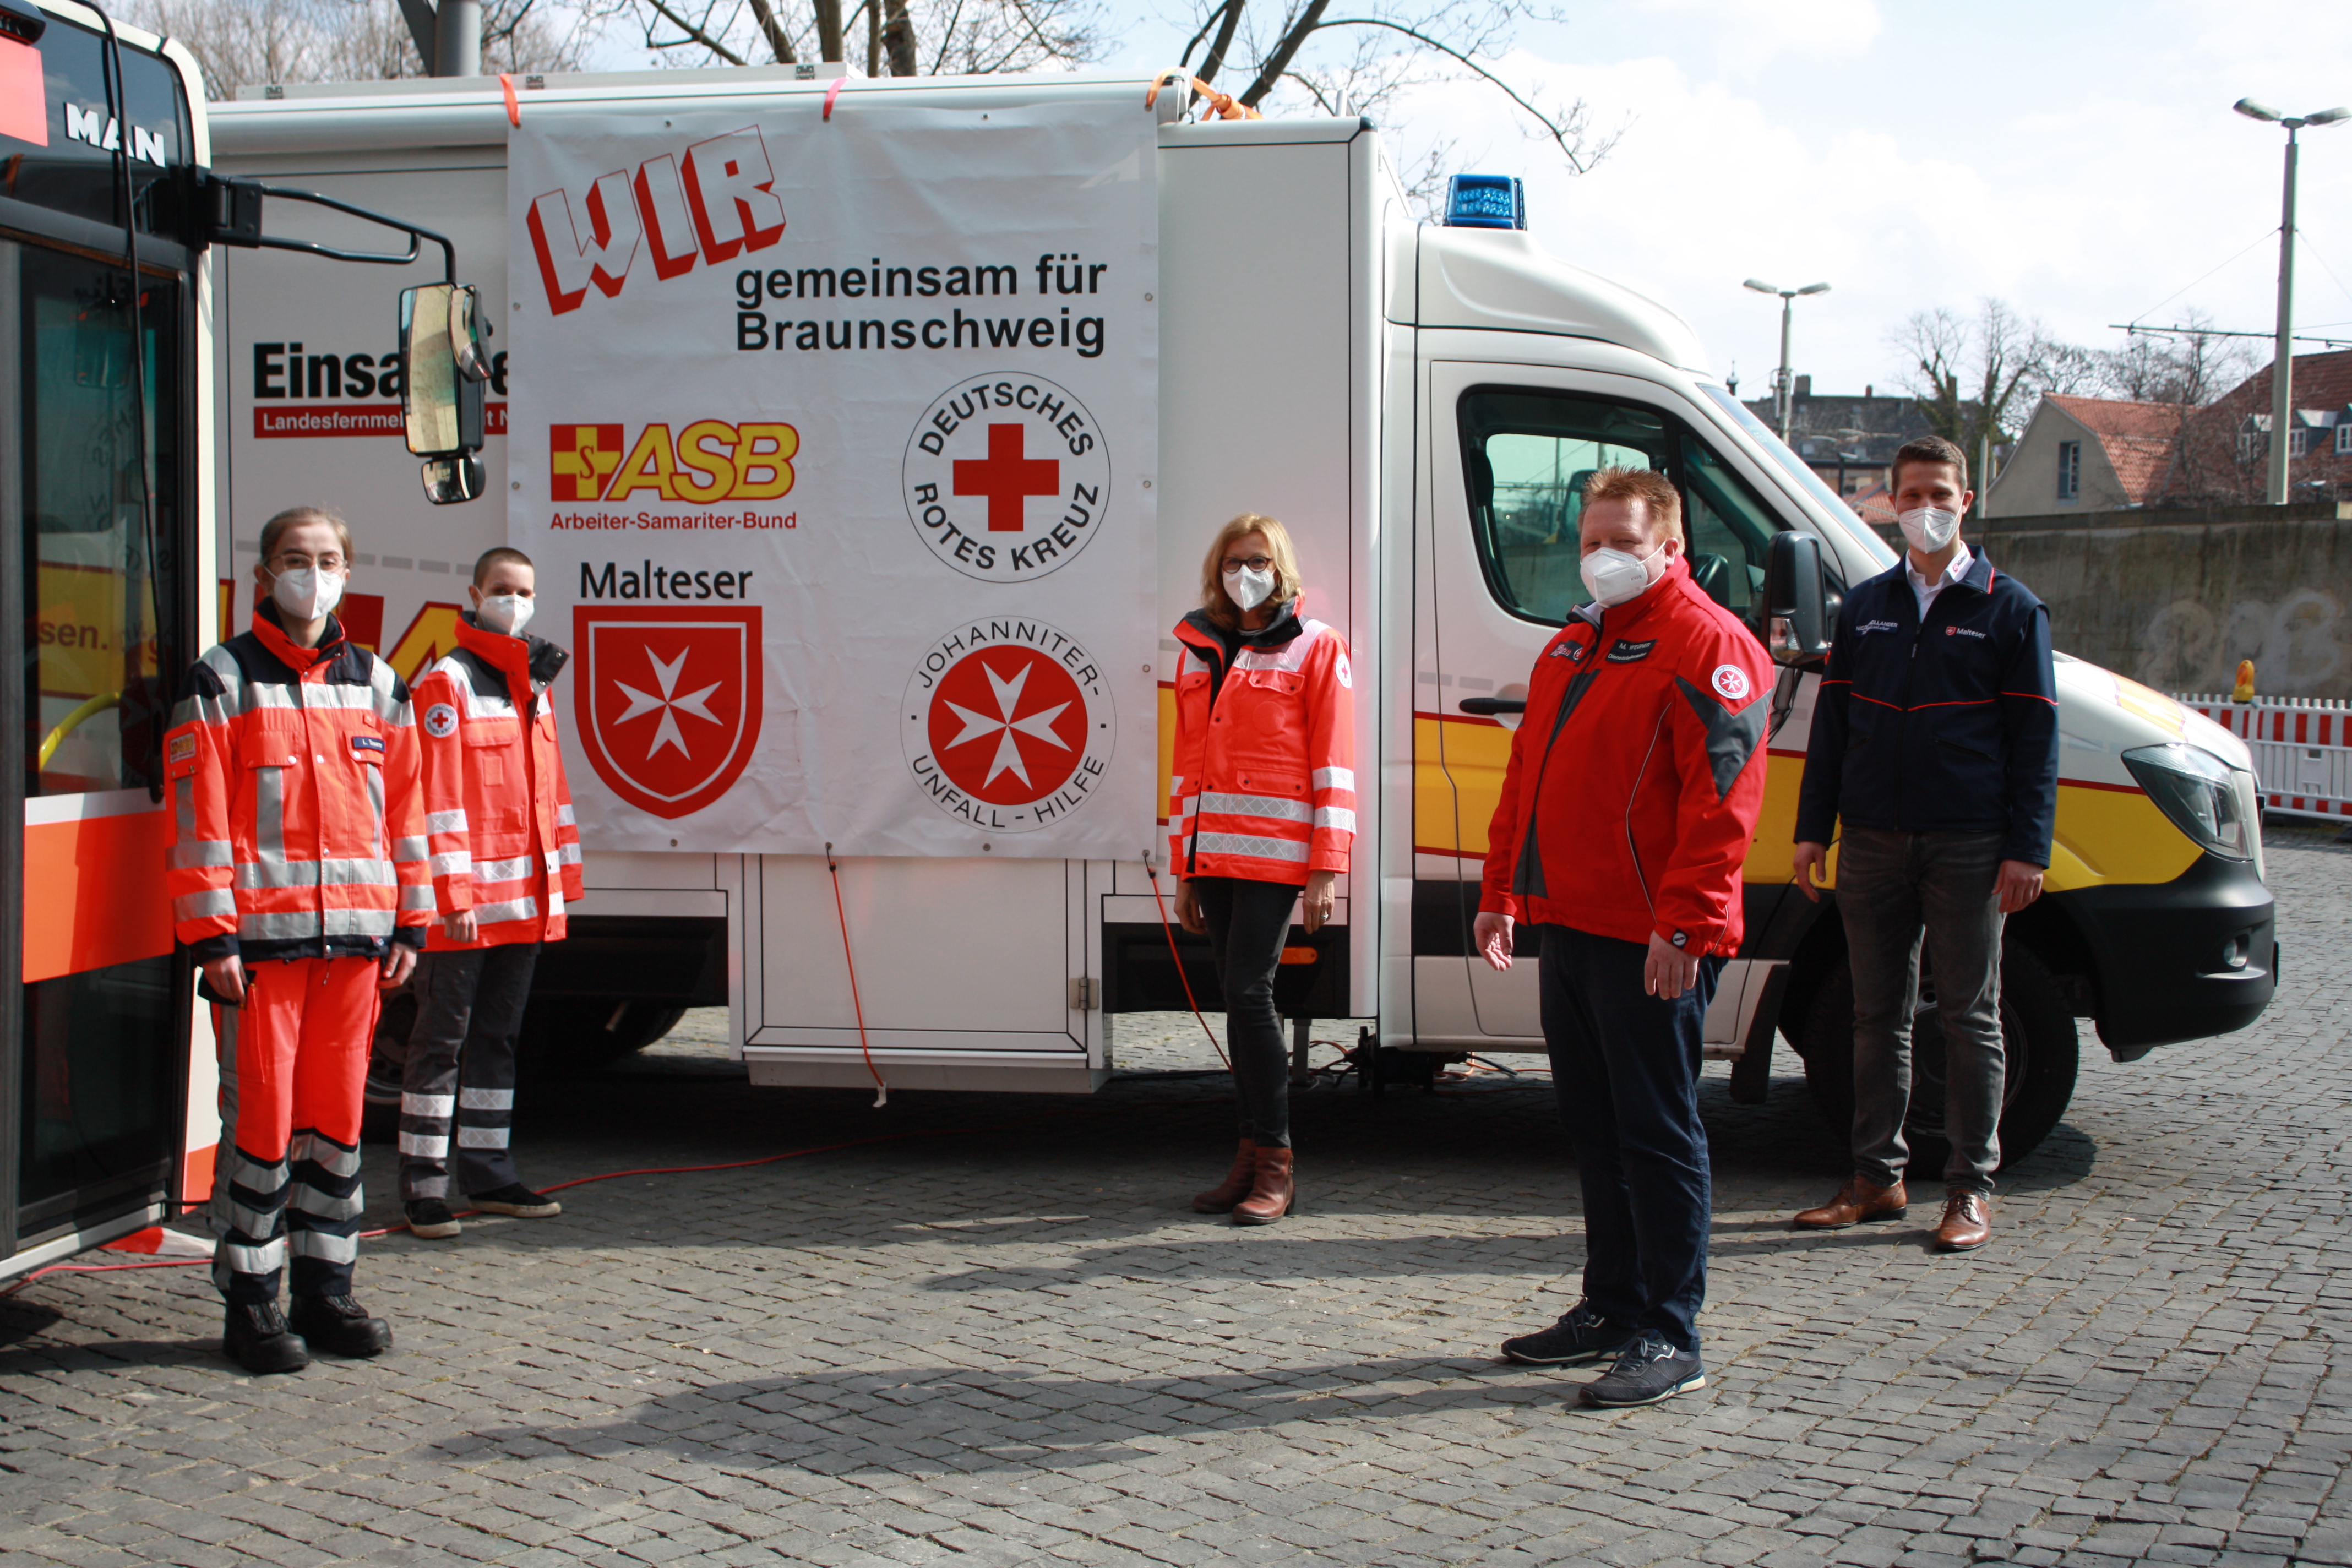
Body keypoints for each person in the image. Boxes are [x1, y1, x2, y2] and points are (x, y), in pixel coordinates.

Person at [1474, 468, 1771, 1409]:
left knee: (1657, 1132)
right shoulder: (1572, 644)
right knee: (1594, 1128)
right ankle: (1609, 1303)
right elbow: (1525, 779)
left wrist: (1682, 922)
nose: (1601, 554)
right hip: (1567, 921)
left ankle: (1670, 1329)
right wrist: (1500, 892)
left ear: (1669, 547)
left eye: (1623, 540)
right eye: (1590, 537)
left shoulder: (1708, 643)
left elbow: (1721, 803)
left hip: (1653, 936)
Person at [166, 505, 429, 1374]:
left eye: (325, 560)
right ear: (264, 573)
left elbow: (408, 817)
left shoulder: (379, 685)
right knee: (262, 1131)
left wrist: (411, 922)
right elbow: (198, 825)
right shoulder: (220, 681)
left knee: (339, 1130)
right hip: (260, 961)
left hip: (355, 953)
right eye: (293, 558)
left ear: (348, 572)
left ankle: (327, 1291)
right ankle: (251, 1303)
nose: (310, 574)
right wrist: (214, 942)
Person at [1790, 435, 2057, 1253]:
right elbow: (1832, 731)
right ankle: (1876, 1177)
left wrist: (2029, 848)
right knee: (1877, 1016)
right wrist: (1812, 829)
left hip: (1970, 846)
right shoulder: (1865, 606)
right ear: (1892, 503)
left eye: (1938, 492)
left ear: (1966, 501)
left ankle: (1971, 1189)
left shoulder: (2012, 609)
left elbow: (2035, 739)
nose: (1924, 507)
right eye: (1909, 494)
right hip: (1871, 842)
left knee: (1973, 1017)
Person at [1169, 514, 1354, 1225]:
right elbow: (1191, 768)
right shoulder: (1199, 648)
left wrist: (1325, 866)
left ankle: (1276, 1164)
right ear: (1217, 570)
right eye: (1233, 561)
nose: (1245, 572)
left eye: (1258, 560)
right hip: (1213, 856)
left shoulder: (1316, 647)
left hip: (1278, 858)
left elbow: (1333, 764)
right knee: (1235, 997)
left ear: (1281, 570)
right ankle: (1248, 1159)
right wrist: (1185, 866)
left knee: (1250, 993)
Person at [399, 547, 585, 1240]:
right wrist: (451, 893)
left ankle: (489, 1171)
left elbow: (548, 795)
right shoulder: (446, 684)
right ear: (474, 592)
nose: (514, 601)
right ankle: (422, 1186)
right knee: (438, 1043)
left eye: (525, 590)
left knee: (497, 1042)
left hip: (524, 906)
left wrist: (559, 888)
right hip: (463, 908)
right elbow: (436, 800)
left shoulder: (533, 684)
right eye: (502, 589)